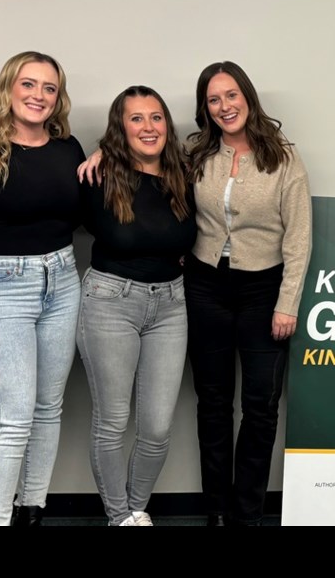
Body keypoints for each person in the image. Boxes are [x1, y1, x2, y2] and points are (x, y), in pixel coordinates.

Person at [80, 61, 312, 526]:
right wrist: (104, 152)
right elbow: (142, 158)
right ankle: (218, 512)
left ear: (247, 97)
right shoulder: (194, 155)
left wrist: (288, 302)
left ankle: (247, 513)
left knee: (261, 407)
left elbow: (299, 237)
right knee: (213, 403)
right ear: (204, 109)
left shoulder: (283, 158)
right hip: (204, 287)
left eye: (231, 96)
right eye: (213, 99)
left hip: (264, 289)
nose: (225, 106)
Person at [0, 51, 85, 526]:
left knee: (47, 409)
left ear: (57, 97)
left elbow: (88, 214)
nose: (38, 96)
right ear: (9, 88)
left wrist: (110, 157)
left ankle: (32, 512)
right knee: (12, 421)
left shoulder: (69, 150)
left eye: (49, 88)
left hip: (63, 281)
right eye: (29, 84)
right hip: (2, 288)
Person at [77, 86, 197, 526]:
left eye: (156, 117)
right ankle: (119, 517)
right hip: (110, 302)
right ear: (119, 128)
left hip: (170, 304)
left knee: (157, 428)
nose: (149, 127)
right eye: (136, 119)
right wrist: (100, 153)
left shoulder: (184, 173)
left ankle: (135, 508)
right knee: (112, 422)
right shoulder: (98, 178)